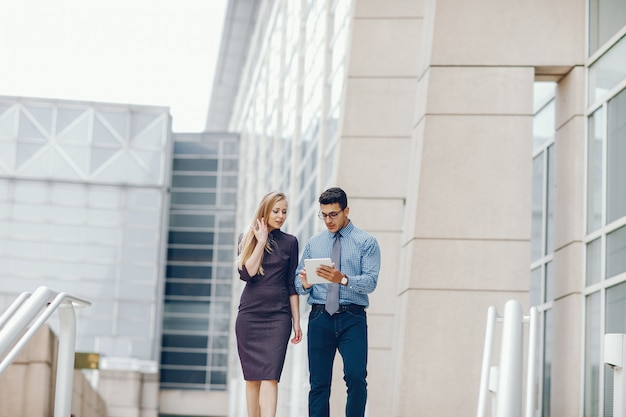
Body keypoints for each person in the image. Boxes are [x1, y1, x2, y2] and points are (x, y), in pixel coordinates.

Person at [295, 187, 381, 417]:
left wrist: (341, 279)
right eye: (324, 215)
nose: (328, 220)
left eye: (333, 214)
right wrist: (305, 282)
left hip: (352, 317)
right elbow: (296, 282)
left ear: (346, 210)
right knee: (318, 383)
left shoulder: (366, 242)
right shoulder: (315, 243)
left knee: (355, 377)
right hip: (320, 316)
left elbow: (371, 282)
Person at [235, 191, 302, 417]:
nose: (281, 216)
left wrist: (297, 322)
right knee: (252, 379)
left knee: (271, 376)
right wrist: (261, 241)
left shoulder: (290, 242)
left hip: (278, 317)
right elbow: (248, 273)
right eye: (276, 211)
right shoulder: (246, 237)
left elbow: (292, 285)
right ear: (265, 210)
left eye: (284, 211)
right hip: (250, 316)